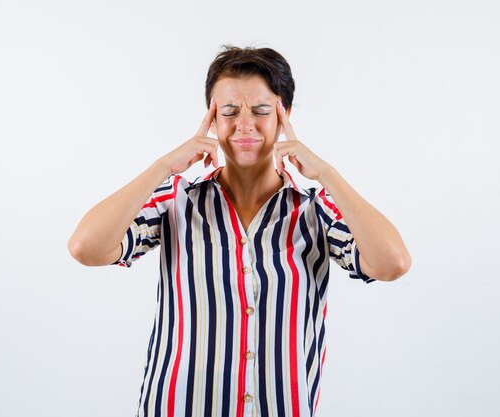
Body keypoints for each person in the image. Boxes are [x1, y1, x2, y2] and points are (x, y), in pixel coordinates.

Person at [67, 45, 411, 417]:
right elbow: (86, 247)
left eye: (261, 110)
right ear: (212, 119)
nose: (244, 124)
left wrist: (326, 173)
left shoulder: (316, 209)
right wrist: (164, 166)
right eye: (229, 111)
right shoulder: (177, 200)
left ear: (285, 115)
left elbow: (392, 263)